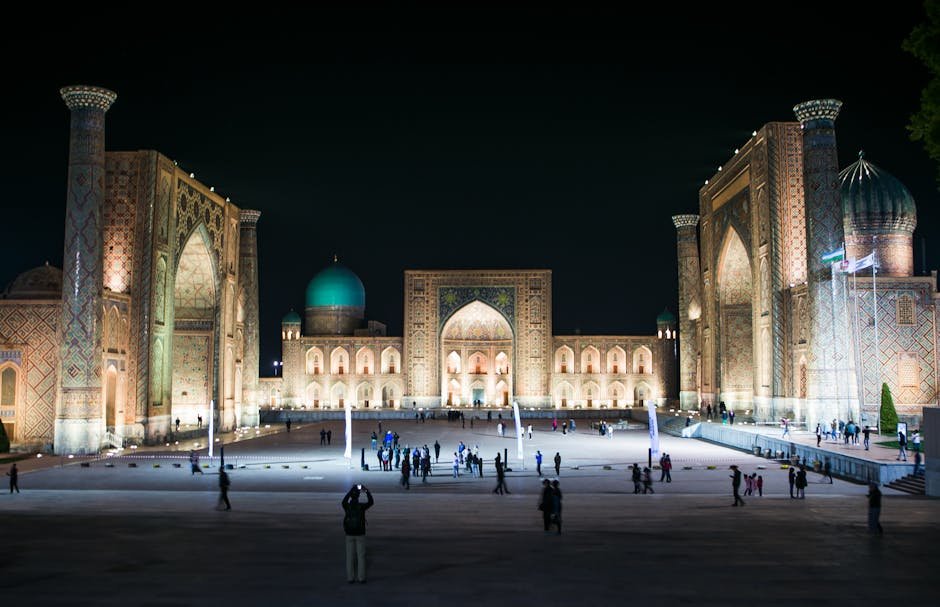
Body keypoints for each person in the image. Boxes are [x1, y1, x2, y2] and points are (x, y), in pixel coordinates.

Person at [342, 484, 374, 584]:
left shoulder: (347, 506)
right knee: (361, 556)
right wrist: (366, 491)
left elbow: (343, 501)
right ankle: (361, 578)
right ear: (358, 496)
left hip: (349, 533)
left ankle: (350, 578)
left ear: (351, 496)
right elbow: (371, 502)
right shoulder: (361, 506)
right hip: (360, 533)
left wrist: (351, 491)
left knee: (349, 556)